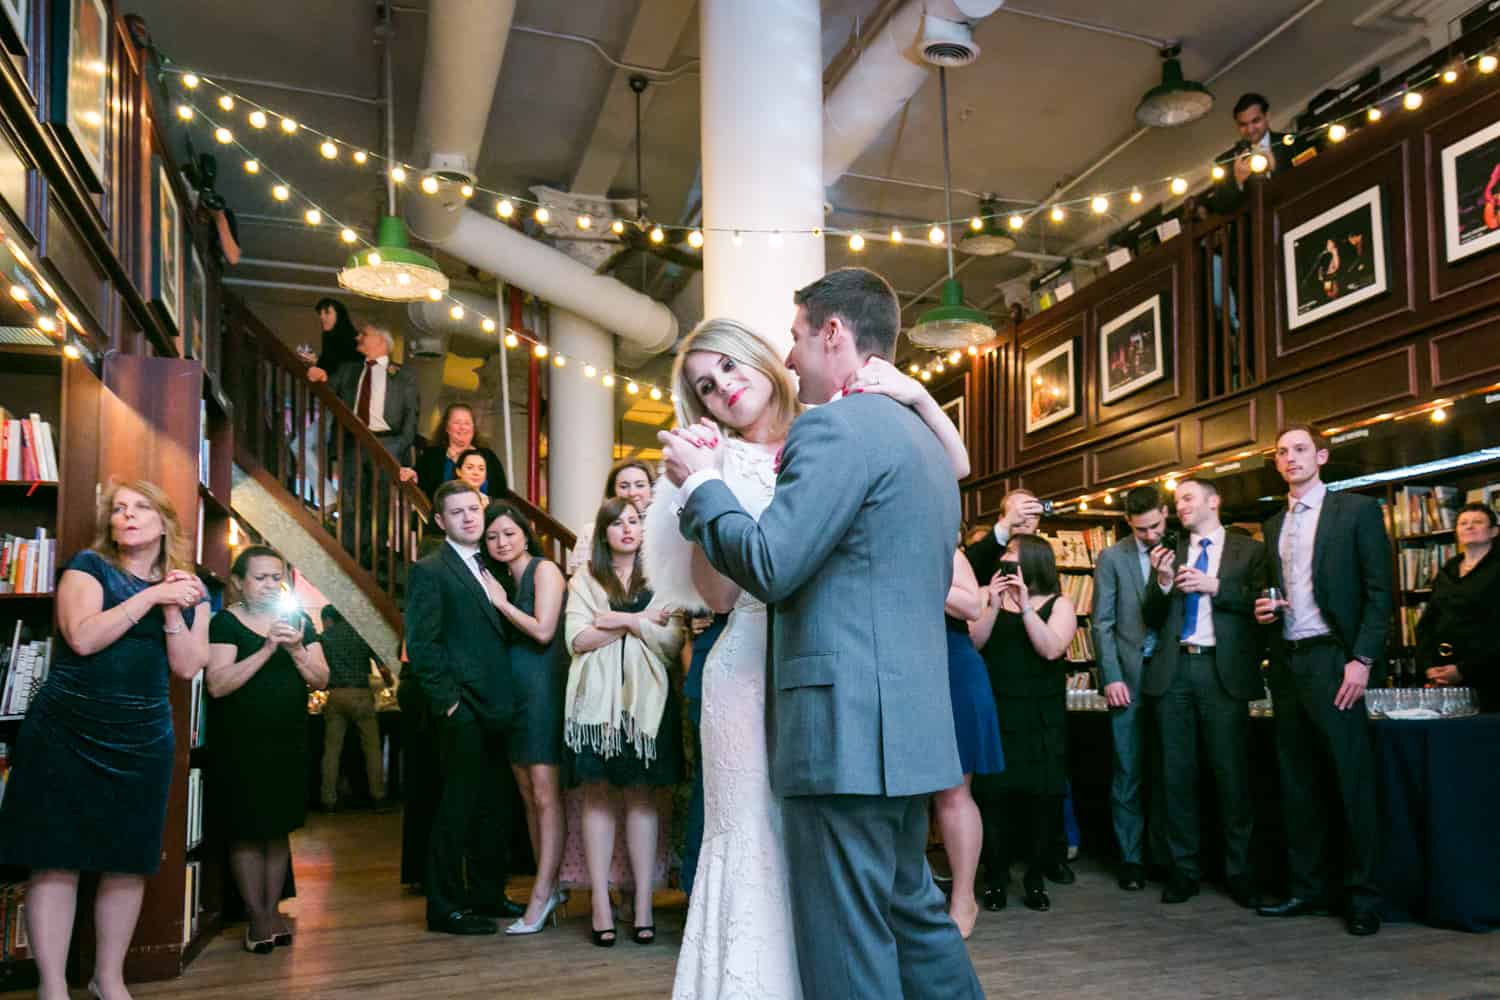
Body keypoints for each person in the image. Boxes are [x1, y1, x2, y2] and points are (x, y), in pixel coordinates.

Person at [658, 269, 982, 1000]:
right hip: (905, 727)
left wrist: (704, 485)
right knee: (916, 922)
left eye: (798, 337)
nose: (792, 355)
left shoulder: (834, 426)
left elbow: (771, 564)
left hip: (842, 730)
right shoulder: (924, 441)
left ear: (832, 333)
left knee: (848, 951)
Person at [0, 481, 209, 1000]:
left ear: (165, 522)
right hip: (67, 731)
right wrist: (152, 596)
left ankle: (108, 978)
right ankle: (53, 987)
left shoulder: (189, 588)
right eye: (119, 509)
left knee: (127, 859)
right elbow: (83, 637)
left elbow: (187, 667)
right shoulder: (87, 568)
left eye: (141, 508)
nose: (128, 516)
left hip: (141, 739)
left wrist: (169, 609)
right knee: (55, 858)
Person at [1254, 424, 1392, 936]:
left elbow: (1380, 594)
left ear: (1322, 456)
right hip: (1286, 662)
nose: (1290, 458)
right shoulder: (1272, 525)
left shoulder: (1355, 512)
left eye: (1300, 450)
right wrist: (1263, 610)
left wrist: (1362, 659)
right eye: (1282, 453)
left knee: (1350, 781)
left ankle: (1362, 897)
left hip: (1336, 660)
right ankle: (1307, 890)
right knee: (1298, 783)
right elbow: (1269, 595)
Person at [1141, 479, 1269, 909]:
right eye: (1177, 501)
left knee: (1232, 777)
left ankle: (1239, 872)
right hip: (1175, 669)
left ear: (1214, 501)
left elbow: (1262, 604)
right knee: (1176, 777)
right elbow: (1150, 615)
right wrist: (1160, 583)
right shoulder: (1170, 551)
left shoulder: (1248, 550)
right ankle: (1183, 871)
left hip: (1222, 671)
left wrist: (1214, 587)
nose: (1180, 506)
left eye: (1188, 498)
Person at [404, 480, 524, 935]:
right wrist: (450, 704)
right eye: (456, 512)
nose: (469, 518)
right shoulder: (430, 570)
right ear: (440, 521)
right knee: (456, 809)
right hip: (463, 709)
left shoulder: (495, 562)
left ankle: (487, 895)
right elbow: (422, 644)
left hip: (499, 706)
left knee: (495, 808)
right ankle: (446, 907)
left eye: (473, 509)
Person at [564, 497, 684, 948]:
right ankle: (599, 901)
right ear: (603, 534)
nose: (628, 529)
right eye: (618, 523)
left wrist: (615, 621)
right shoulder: (584, 580)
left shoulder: (663, 579)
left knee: (642, 799)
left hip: (646, 711)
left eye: (635, 521)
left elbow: (670, 643)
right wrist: (638, 622)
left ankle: (644, 906)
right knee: (596, 797)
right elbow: (577, 638)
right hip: (594, 713)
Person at [207, 546, 330, 952]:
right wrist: (264, 651)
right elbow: (218, 684)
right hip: (241, 741)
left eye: (276, 576)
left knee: (277, 831)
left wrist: (295, 649)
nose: (269, 584)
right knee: (246, 831)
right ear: (239, 583)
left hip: (288, 739)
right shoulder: (225, 623)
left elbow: (322, 679)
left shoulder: (299, 622)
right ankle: (256, 917)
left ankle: (271, 909)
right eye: (259, 577)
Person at [971, 534, 1079, 914]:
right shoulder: (988, 597)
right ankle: (995, 879)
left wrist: (1026, 608)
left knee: (1040, 800)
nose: (1005, 560)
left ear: (1032, 561)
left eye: (1012, 554)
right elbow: (975, 643)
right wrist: (997, 605)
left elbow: (1051, 648)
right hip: (998, 711)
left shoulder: (1059, 604)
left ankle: (1035, 879)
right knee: (993, 798)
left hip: (1040, 715)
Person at [478, 501, 569, 934]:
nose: (501, 542)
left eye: (508, 533)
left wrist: (499, 604)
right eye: (492, 536)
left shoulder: (544, 570)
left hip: (542, 692)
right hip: (513, 695)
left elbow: (544, 630)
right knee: (528, 795)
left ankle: (543, 893)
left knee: (546, 794)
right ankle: (547, 883)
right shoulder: (504, 578)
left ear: (525, 531)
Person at [1091, 485, 1172, 892]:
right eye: (1141, 530)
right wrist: (1112, 677)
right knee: (1128, 771)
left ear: (1165, 512)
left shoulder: (1185, 548)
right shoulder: (1111, 557)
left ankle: (1168, 857)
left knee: (1171, 769)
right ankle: (1131, 859)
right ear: (1128, 523)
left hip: (1173, 675)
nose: (1151, 536)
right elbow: (1101, 623)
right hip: (1128, 678)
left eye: (1156, 526)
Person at [934, 547, 1005, 938]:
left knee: (954, 791)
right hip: (907, 669)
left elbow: (971, 607)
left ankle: (964, 899)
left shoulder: (948, 550)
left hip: (953, 668)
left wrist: (920, 581)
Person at [326, 324, 420, 562]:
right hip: (353, 441)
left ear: (381, 341)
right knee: (350, 498)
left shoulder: (403, 375)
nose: (359, 337)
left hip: (387, 443)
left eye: (365, 334)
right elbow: (328, 386)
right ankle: (347, 552)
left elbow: (411, 417)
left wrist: (399, 447)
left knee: (380, 501)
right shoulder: (349, 370)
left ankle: (372, 552)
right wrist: (316, 370)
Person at [1417, 502, 1500, 712]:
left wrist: (1463, 670)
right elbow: (1428, 621)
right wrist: (1430, 667)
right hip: (1443, 678)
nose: (1469, 527)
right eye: (1463, 523)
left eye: (1477, 522)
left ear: (1494, 531)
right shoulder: (1448, 569)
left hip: (1489, 677)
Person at [318, 605, 393, 811]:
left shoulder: (324, 637)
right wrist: (388, 684)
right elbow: (382, 666)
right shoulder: (362, 634)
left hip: (336, 695)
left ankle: (328, 801)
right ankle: (378, 798)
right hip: (361, 695)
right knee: (372, 749)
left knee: (332, 750)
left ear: (330, 619)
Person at [1204, 93, 1299, 216]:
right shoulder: (1225, 161)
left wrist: (1276, 168)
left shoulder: (1290, 143)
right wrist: (1238, 181)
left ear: (1267, 116)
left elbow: (1305, 178)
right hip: (1253, 231)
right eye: (1243, 125)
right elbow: (1221, 208)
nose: (1250, 129)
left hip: (1293, 216)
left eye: (1255, 121)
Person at [402, 402, 508, 507]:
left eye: (467, 423)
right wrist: (412, 475)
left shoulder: (488, 456)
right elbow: (419, 479)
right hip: (444, 520)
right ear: (447, 428)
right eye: (457, 422)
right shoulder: (432, 455)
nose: (462, 427)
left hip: (485, 519)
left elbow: (500, 493)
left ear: (473, 428)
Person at [566, 459, 655, 575]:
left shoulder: (664, 530)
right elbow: (578, 578)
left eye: (640, 485)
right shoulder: (591, 531)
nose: (632, 492)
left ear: (652, 490)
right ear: (613, 491)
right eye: (624, 486)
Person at [965, 487, 1045, 585]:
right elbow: (968, 564)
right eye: (1016, 513)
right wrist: (1007, 522)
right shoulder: (989, 550)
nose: (1023, 519)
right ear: (1002, 518)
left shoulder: (1043, 553)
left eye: (1030, 512)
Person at [304, 298, 361, 384]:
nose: (322, 317)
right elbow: (328, 365)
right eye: (320, 313)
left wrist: (316, 361)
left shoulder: (352, 337)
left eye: (327, 312)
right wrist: (315, 360)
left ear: (339, 315)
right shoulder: (328, 336)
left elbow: (340, 367)